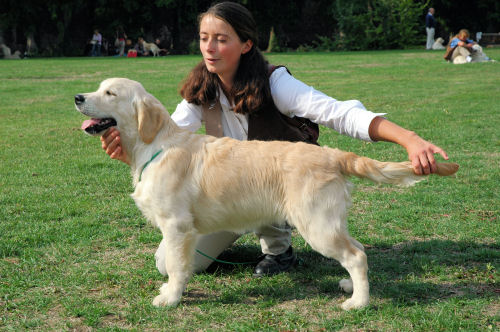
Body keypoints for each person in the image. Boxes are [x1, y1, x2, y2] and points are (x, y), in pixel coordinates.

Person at [101, 2, 450, 277]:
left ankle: (278, 248)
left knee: (263, 175)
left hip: (292, 183)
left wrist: (409, 139)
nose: (210, 47)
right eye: (205, 38)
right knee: (168, 264)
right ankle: (238, 232)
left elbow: (339, 113)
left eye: (222, 39)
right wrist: (131, 152)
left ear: (246, 44)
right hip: (230, 196)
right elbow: (166, 143)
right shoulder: (200, 91)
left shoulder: (275, 83)